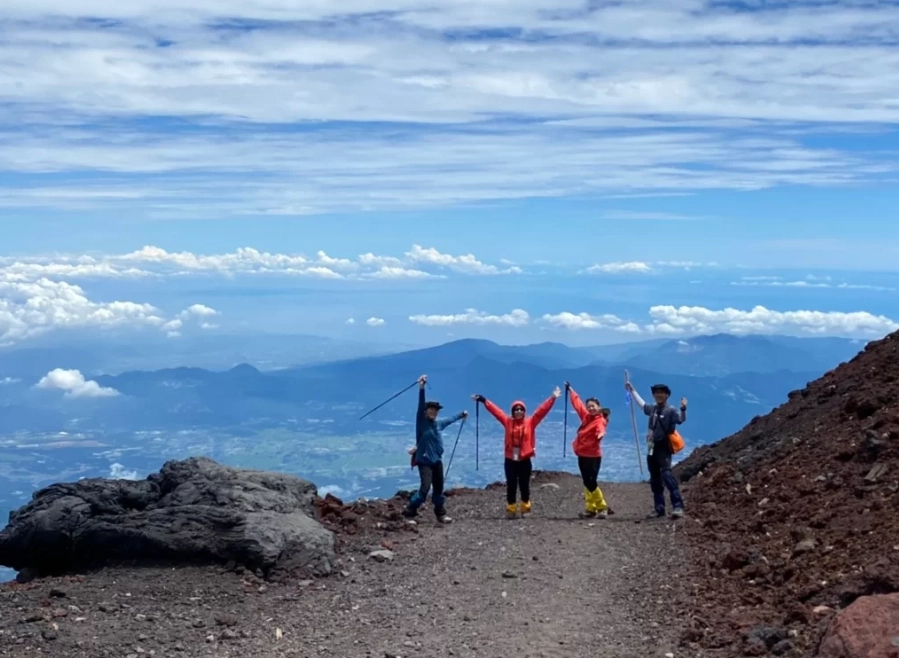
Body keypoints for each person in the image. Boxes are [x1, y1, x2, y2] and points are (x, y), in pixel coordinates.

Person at [472, 387, 561, 519]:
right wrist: (484, 400)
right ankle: (511, 508)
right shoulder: (508, 422)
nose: (518, 411)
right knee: (511, 484)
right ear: (513, 411)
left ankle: (525, 508)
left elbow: (542, 411)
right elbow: (496, 411)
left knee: (524, 484)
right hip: (510, 458)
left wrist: (552, 398)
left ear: (524, 411)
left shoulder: (531, 422)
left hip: (525, 458)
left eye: (521, 409)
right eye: (516, 409)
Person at [403, 375, 467, 523]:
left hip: (437, 461)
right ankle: (409, 512)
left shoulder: (438, 424)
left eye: (435, 410)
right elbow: (420, 405)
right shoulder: (421, 422)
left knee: (438, 489)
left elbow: (450, 420)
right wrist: (421, 387)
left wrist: (461, 415)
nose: (434, 412)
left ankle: (441, 514)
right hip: (424, 461)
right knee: (424, 490)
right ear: (426, 411)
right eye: (431, 409)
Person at [624, 380, 687, 519]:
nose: (658, 395)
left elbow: (681, 420)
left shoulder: (671, 411)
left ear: (666, 395)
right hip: (652, 446)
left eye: (661, 393)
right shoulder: (652, 409)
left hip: (664, 446)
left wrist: (683, 408)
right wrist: (632, 390)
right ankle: (659, 509)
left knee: (666, 475)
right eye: (656, 393)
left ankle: (678, 506)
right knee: (654, 478)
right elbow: (642, 405)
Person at [565, 382, 609, 519]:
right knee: (586, 482)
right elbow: (578, 405)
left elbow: (601, 429)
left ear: (599, 408)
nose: (590, 408)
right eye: (589, 406)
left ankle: (602, 506)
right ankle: (591, 508)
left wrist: (601, 434)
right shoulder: (586, 417)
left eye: (593, 406)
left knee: (591, 482)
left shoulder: (599, 420)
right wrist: (571, 391)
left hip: (593, 456)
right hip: (582, 455)